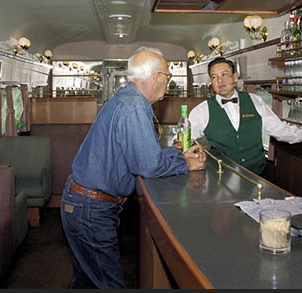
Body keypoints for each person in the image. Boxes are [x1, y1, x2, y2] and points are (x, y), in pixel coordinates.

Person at [60, 47, 206, 289]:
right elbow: (147, 166)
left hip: (81, 205)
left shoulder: (126, 98)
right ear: (156, 78)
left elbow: (143, 154)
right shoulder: (135, 106)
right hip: (91, 210)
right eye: (168, 77)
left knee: (86, 283)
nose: (167, 83)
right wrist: (185, 164)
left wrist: (178, 153)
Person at [187, 57, 302, 181]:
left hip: (257, 175)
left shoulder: (255, 101)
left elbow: (278, 129)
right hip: (221, 177)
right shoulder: (202, 110)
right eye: (214, 77)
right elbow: (186, 139)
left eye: (225, 74)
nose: (220, 80)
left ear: (235, 77)